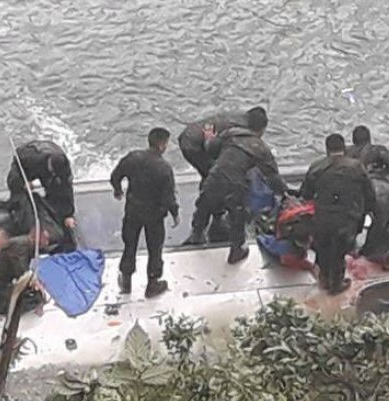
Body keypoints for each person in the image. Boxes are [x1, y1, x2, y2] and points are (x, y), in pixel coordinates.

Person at [186, 110, 288, 262]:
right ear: (262, 129)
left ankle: (196, 233)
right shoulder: (261, 148)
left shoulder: (230, 134)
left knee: (204, 204)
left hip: (215, 176)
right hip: (235, 185)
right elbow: (273, 177)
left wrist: (210, 136)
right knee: (237, 216)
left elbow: (211, 149)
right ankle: (236, 250)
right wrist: (285, 192)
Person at [300, 134, 376, 294]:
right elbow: (370, 194)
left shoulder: (316, 167)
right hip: (347, 217)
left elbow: (306, 194)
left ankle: (325, 278)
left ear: (327, 150)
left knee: (324, 247)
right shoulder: (357, 167)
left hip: (323, 217)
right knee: (339, 251)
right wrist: (366, 212)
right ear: (344, 148)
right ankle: (336, 284)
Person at [178, 106, 267, 242]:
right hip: (194, 146)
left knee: (214, 176)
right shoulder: (238, 128)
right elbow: (209, 145)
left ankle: (212, 213)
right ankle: (213, 219)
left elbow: (209, 125)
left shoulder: (235, 116)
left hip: (191, 135)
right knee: (216, 178)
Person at [110, 127, 180, 298]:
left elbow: (115, 175)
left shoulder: (133, 157)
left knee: (130, 244)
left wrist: (118, 190)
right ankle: (152, 284)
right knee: (155, 249)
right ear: (162, 145)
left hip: (133, 210)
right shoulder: (164, 168)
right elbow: (169, 197)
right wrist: (175, 213)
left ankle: (126, 281)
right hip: (154, 216)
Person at [6, 140, 76, 233]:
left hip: (45, 169)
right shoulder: (31, 157)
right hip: (25, 165)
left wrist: (68, 214)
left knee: (56, 190)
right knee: (18, 191)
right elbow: (16, 165)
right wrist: (23, 183)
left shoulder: (63, 167)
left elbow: (66, 188)